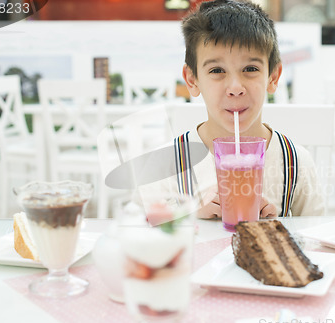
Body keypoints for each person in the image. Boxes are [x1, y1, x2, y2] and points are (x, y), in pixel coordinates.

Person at [136, 0, 324, 219]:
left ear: (273, 77)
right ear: (192, 80)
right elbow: (142, 237)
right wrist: (190, 216)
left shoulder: (295, 162)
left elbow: (314, 237)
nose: (235, 88)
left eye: (250, 69)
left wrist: (279, 226)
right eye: (217, 70)